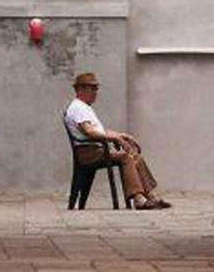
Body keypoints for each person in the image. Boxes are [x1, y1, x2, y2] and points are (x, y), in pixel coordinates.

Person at [64, 72, 171, 210]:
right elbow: (89, 131)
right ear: (80, 89)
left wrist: (122, 135)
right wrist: (114, 138)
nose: (96, 92)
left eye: (96, 88)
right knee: (126, 157)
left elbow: (100, 130)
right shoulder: (78, 107)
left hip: (96, 149)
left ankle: (150, 195)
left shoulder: (85, 108)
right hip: (88, 152)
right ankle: (138, 198)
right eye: (92, 88)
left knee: (134, 156)